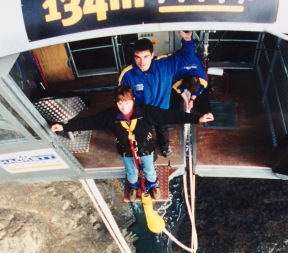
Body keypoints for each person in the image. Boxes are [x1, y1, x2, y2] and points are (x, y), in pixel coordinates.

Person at [50, 85, 214, 201]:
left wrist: (196, 119)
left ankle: (153, 185)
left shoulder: (146, 112)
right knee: (131, 171)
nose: (124, 107)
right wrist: (64, 127)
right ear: (116, 102)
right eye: (120, 103)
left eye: (127, 103)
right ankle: (134, 186)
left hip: (145, 149)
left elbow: (171, 116)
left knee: (149, 169)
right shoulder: (110, 116)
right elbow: (88, 122)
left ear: (133, 100)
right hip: (126, 151)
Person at [118, 31, 196, 157]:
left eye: (145, 56)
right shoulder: (127, 75)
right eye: (137, 57)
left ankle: (164, 147)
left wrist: (187, 40)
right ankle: (149, 152)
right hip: (141, 113)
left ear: (152, 54)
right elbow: (122, 97)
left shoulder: (165, 64)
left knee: (162, 131)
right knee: (143, 135)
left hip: (161, 110)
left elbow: (186, 57)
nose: (141, 62)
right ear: (133, 57)